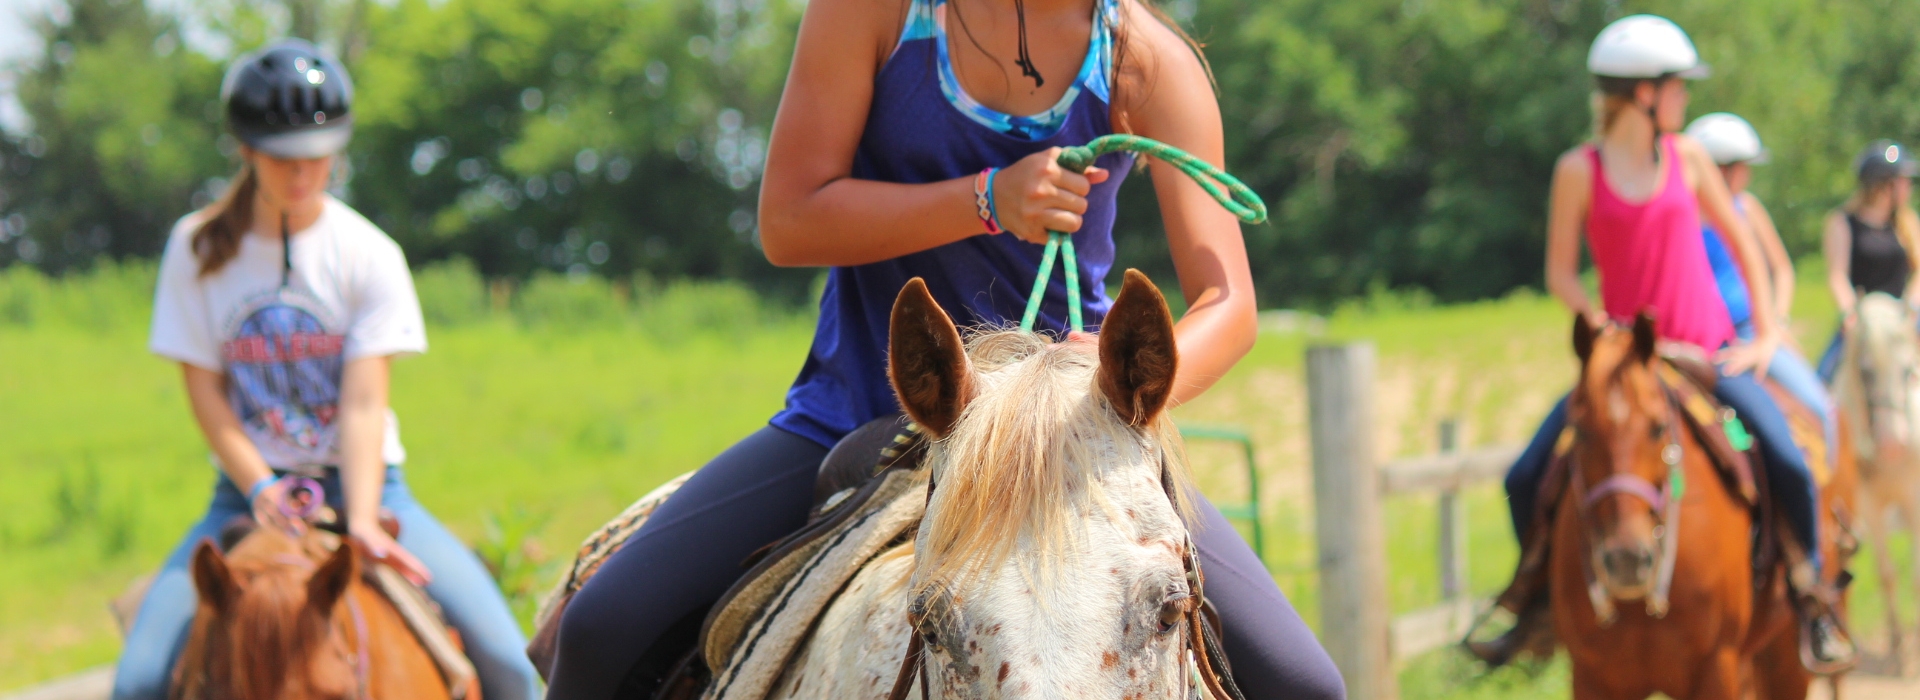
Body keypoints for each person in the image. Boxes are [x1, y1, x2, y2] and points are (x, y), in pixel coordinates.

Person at [542, 0, 1346, 696]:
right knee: (602, 631)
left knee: (1307, 686)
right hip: (858, 410)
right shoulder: (877, 13)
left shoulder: (1147, 61)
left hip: (1077, 442)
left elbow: (1228, 305)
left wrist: (1104, 390)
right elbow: (789, 220)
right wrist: (987, 199)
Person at [113, 40, 541, 700]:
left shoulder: (369, 253)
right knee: (137, 682)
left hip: (366, 488)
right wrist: (262, 493)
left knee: (511, 665)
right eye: (283, 158)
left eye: (318, 155)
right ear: (247, 150)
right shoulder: (195, 249)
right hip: (244, 494)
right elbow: (207, 397)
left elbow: (365, 405)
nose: (302, 173)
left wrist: (364, 520)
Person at [1466, 14, 1854, 673]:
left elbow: (1743, 244)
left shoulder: (1691, 159)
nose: (1686, 99)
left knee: (1778, 451)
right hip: (1623, 365)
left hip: (1708, 359)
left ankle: (1809, 596)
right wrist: (1598, 325)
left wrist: (1759, 338)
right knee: (1527, 473)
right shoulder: (1577, 170)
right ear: (1643, 92)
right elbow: (1560, 271)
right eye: (1679, 86)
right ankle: (1536, 603)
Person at [1683, 112, 1834, 458]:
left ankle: (1832, 505)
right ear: (1720, 169)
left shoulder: (1747, 208)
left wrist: (1774, 323)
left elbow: (1781, 269)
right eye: (1743, 166)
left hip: (1750, 331)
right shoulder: (1681, 214)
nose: (1748, 175)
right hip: (1698, 339)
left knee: (1820, 407)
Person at [1816, 140, 1920, 381]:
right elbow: (1837, 274)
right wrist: (1848, 313)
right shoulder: (1842, 222)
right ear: (1883, 185)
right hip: (1864, 316)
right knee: (1824, 378)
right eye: (1904, 180)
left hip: (1903, 313)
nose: (1909, 186)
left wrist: (1912, 306)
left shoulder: (1907, 222)